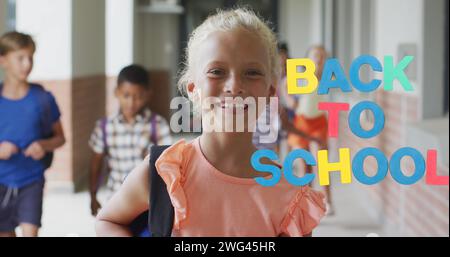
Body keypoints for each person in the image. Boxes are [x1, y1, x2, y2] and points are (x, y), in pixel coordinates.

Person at [96, 8, 326, 237]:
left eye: (252, 72)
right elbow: (108, 221)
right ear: (193, 89)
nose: (234, 86)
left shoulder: (290, 197)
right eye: (217, 71)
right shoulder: (164, 172)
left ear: (270, 93)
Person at [0, 31, 66, 237]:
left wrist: (43, 145)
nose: (27, 64)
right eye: (20, 58)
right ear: (3, 61)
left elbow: (60, 138)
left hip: (32, 181)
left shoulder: (43, 99)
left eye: (30, 57)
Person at [88, 64, 172, 217]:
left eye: (139, 96)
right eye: (126, 95)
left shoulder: (157, 125)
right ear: (116, 93)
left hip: (147, 202)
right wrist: (93, 196)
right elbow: (96, 164)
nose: (132, 102)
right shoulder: (105, 127)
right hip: (115, 199)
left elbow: (168, 165)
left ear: (148, 94)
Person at [287, 45, 334, 215]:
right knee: (303, 166)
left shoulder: (326, 76)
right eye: (315, 56)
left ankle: (328, 201)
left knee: (321, 162)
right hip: (301, 123)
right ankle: (307, 203)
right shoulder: (298, 76)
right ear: (307, 59)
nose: (318, 60)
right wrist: (290, 100)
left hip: (318, 123)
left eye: (322, 57)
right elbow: (285, 87)